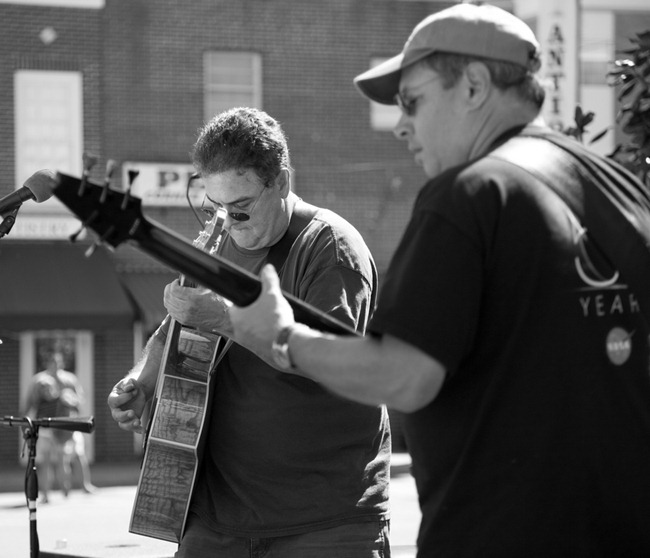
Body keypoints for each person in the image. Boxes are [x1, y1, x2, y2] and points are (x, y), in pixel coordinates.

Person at [226, 4, 650, 557]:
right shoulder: (623, 190)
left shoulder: (470, 194)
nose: (402, 123)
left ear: (474, 85)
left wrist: (280, 337)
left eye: (413, 100)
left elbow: (404, 376)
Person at [107, 107, 390, 557]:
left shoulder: (330, 248)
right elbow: (171, 333)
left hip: (324, 522)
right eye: (212, 207)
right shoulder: (218, 241)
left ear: (281, 181)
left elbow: (341, 363)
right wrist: (143, 380)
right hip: (215, 520)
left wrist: (225, 318)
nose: (224, 223)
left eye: (239, 210)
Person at [23, 352, 96, 502]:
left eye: (57, 362)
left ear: (61, 363)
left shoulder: (69, 379)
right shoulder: (39, 380)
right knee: (47, 460)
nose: (54, 365)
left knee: (75, 456)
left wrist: (71, 403)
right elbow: (30, 402)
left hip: (67, 425)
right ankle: (46, 494)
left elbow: (78, 401)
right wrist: (24, 421)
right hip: (46, 427)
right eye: (51, 362)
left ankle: (77, 487)